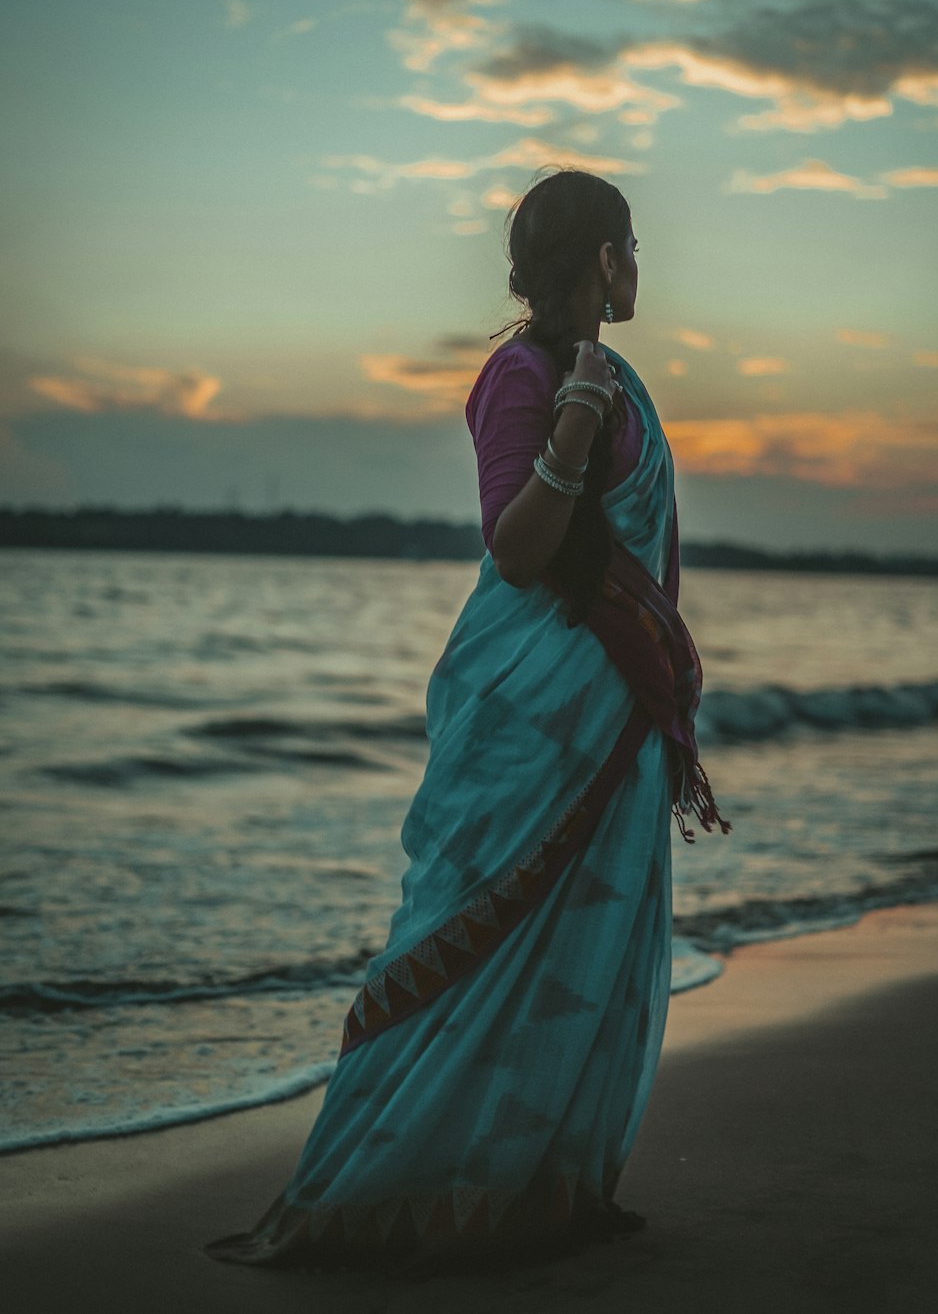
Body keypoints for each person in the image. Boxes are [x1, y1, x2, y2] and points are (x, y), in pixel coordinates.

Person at [204, 168, 728, 1276]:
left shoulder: (613, 374)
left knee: (594, 940)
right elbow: (518, 548)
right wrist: (575, 421)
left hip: (610, 715)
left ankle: (547, 1187)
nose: (638, 269)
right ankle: (394, 1194)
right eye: (631, 248)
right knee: (473, 929)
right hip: (529, 720)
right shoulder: (526, 375)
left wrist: (597, 399)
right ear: (600, 260)